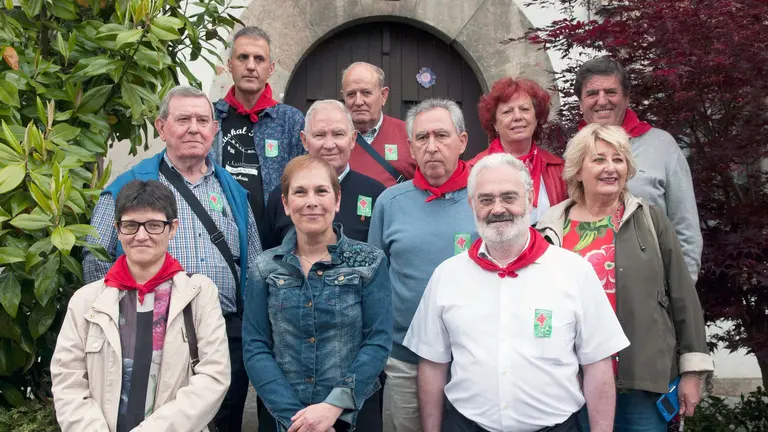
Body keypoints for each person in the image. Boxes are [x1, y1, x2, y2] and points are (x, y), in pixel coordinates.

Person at [404, 153, 629, 432]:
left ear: (530, 197)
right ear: (472, 204)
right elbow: (432, 365)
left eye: (509, 197)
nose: (498, 209)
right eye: (486, 199)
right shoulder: (447, 275)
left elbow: (598, 365)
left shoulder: (575, 272)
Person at [82, 86, 261, 432]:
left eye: (202, 120)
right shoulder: (128, 186)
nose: (194, 128)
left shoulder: (234, 191)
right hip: (148, 331)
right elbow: (96, 258)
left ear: (214, 130)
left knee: (222, 422)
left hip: (223, 335)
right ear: (162, 127)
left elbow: (254, 264)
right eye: (183, 119)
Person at [536, 124, 714, 431]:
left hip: (641, 381)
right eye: (599, 160)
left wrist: (693, 373)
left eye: (618, 160)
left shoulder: (650, 219)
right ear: (578, 170)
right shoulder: (551, 226)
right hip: (570, 381)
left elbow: (684, 297)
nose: (610, 168)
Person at [52, 180, 230, 432]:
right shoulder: (86, 301)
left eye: (155, 225)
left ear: (173, 228)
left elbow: (213, 377)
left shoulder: (198, 294)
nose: (141, 236)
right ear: (117, 229)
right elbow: (67, 382)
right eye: (130, 225)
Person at [243, 155, 392, 432]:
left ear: (336, 200)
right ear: (286, 204)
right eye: (300, 192)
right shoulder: (264, 267)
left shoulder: (369, 262)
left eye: (321, 191)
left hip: (353, 416)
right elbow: (255, 348)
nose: (311, 201)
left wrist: (333, 407)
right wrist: (298, 420)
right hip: (285, 419)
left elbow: (378, 341)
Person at [369, 98, 478, 432]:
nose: (432, 146)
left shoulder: (484, 198)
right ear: (411, 148)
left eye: (441, 136)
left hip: (473, 357)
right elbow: (374, 279)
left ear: (462, 141)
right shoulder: (390, 203)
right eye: (422, 138)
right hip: (405, 359)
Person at [574, 55, 702, 282]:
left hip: (652, 288)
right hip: (587, 287)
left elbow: (686, 227)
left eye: (610, 92)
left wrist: (680, 292)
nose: (602, 101)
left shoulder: (662, 146)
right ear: (581, 102)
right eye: (592, 93)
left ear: (626, 97)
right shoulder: (573, 152)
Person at [260, 99, 386, 249]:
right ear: (304, 140)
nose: (329, 145)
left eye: (338, 134)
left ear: (352, 139)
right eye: (319, 135)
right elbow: (269, 258)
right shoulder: (283, 195)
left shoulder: (376, 194)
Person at [210, 25, 306, 220]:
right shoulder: (211, 117)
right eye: (243, 57)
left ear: (270, 68)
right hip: (220, 233)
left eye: (259, 59)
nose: (251, 66)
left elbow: (305, 181)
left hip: (275, 239)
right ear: (230, 65)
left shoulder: (291, 121)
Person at [468, 77, 568, 224]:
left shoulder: (559, 169)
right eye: (507, 111)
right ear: (494, 123)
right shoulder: (473, 170)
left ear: (536, 117)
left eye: (525, 109)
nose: (517, 117)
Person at [342, 61, 417, 187]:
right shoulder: (332, 138)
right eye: (351, 94)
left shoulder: (410, 133)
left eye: (366, 93)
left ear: (383, 95)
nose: (358, 101)